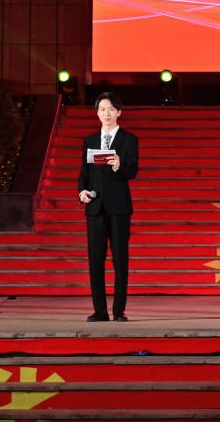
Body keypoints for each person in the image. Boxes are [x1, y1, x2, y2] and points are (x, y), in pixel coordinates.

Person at [78, 91, 139, 322]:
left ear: (119, 112)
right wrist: (81, 191)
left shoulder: (129, 139)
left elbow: (132, 171)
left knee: (120, 259)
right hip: (95, 207)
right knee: (95, 259)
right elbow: (84, 173)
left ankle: (119, 311)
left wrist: (119, 165)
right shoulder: (90, 140)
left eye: (111, 109)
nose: (107, 114)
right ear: (97, 113)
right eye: (102, 109)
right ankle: (100, 311)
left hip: (119, 207)